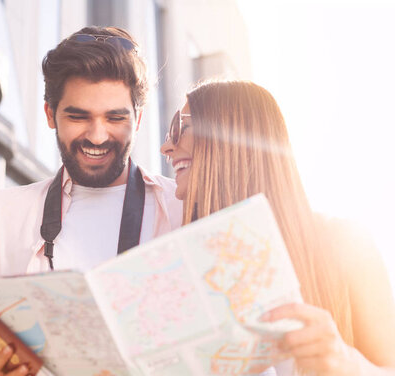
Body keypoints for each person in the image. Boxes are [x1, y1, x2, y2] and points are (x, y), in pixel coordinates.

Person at [0, 26, 182, 376]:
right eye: (78, 116)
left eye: (115, 118)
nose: (97, 135)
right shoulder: (0, 214)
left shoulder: (184, 210)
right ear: (50, 115)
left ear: (137, 120)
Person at [161, 79, 395, 375]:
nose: (166, 146)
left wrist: (345, 362)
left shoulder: (345, 241)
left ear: (229, 133)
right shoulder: (185, 263)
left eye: (179, 127)